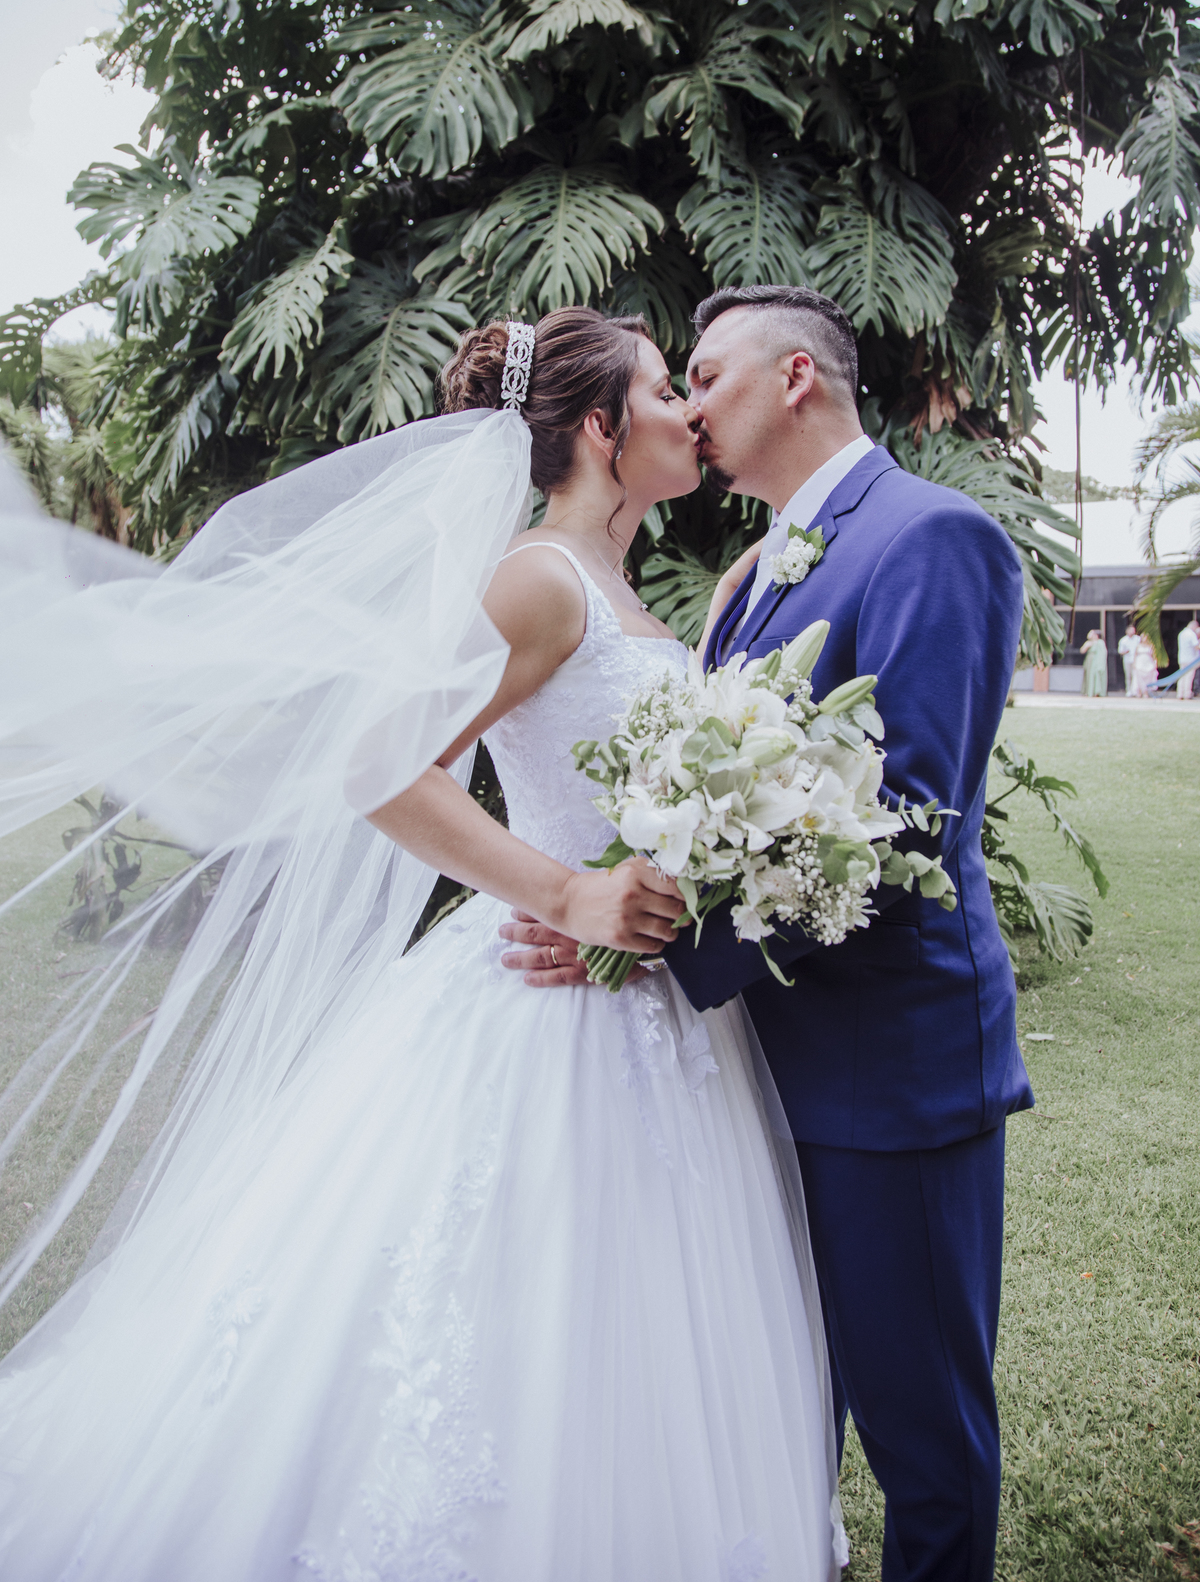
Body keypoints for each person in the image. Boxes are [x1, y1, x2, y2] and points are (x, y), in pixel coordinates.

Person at [0, 311, 842, 1579]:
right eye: (666, 390)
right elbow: (382, 767)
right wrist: (568, 896)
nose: (689, 413)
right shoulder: (541, 578)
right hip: (549, 1007)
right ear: (602, 429)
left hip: (661, 1017)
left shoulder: (621, 587)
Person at [505, 286, 1032, 1582]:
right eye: (671, 384)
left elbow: (910, 824)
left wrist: (645, 944)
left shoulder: (930, 536)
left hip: (890, 1074)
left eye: (705, 376)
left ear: (795, 378)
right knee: (792, 1410)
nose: (688, 405)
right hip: (754, 1073)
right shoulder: (759, 573)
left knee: (921, 1430)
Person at [1081, 625, 1108, 697]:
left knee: (1096, 675)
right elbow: (1082, 650)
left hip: (1097, 661)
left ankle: (1097, 691)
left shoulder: (1100, 642)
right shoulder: (1089, 643)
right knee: (1089, 675)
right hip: (1090, 661)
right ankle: (1089, 691)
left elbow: (1103, 653)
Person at [1177, 614, 1199, 699]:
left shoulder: (1181, 633)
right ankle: (1187, 694)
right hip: (1190, 659)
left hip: (1182, 658)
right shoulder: (1191, 634)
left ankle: (1180, 694)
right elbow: (1196, 646)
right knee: (1189, 677)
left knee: (1182, 676)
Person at [1133, 631, 1159, 696]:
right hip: (1140, 662)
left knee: (1148, 677)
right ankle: (1139, 691)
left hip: (1148, 662)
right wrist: (1134, 663)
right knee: (1139, 677)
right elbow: (1135, 655)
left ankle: (1146, 691)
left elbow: (1154, 656)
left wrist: (1155, 663)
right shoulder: (1138, 646)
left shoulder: (1150, 646)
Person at [1117, 620, 1140, 695]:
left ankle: (1135, 690)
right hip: (1127, 660)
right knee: (1128, 675)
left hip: (1136, 660)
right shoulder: (1123, 640)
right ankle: (1129, 690)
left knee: (1135, 675)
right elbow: (1120, 651)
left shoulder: (1138, 639)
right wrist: (1125, 652)